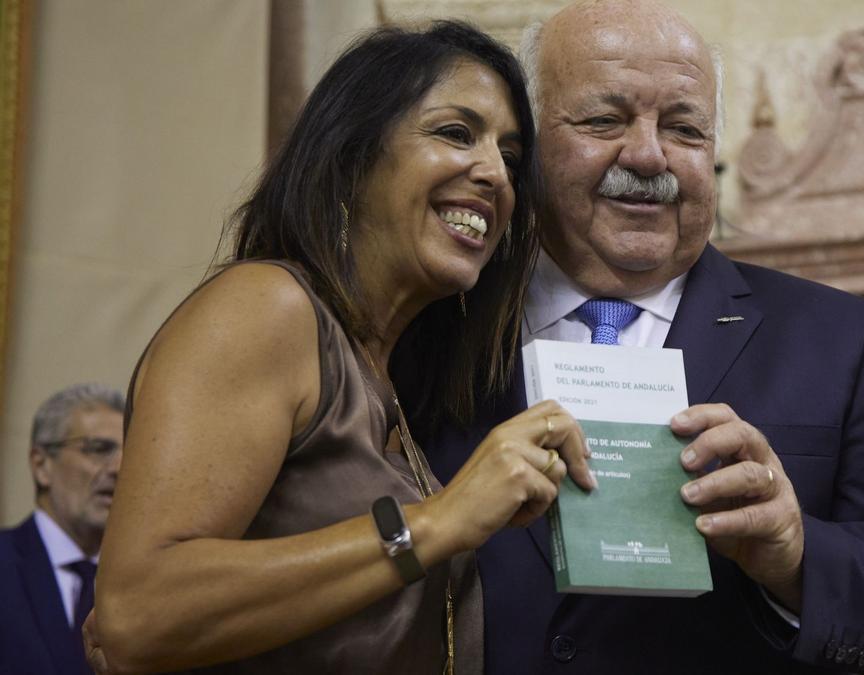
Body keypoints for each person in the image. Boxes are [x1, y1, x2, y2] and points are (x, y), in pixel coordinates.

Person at [395, 1, 864, 673]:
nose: (647, 154)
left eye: (685, 128)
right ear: (526, 149)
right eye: (604, 120)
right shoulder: (435, 326)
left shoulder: (839, 340)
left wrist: (796, 553)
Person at [88, 22, 591, 675]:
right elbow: (137, 613)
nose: (495, 172)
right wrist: (438, 522)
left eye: (511, 157)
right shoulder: (269, 307)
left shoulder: (388, 379)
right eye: (454, 132)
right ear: (353, 154)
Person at [0, 383, 124, 675]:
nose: (119, 467)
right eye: (99, 449)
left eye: (128, 453)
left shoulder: (140, 584)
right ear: (41, 464)